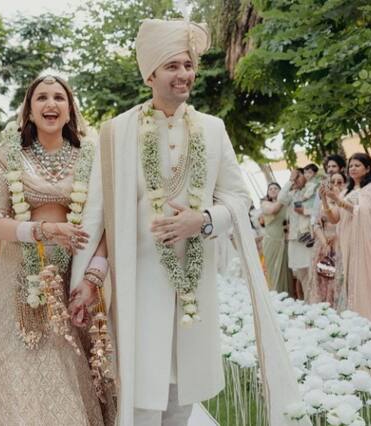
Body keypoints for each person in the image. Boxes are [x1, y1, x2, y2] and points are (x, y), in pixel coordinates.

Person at [69, 19, 309, 426]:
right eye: (172, 66)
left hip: (194, 284)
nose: (184, 74)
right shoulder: (116, 133)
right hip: (138, 282)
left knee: (182, 395)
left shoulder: (213, 130)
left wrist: (204, 220)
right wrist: (88, 277)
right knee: (140, 395)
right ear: (150, 75)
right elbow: (98, 213)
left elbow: (238, 198)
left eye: (188, 65)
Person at [0, 75, 108, 425]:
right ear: (28, 110)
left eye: (59, 97)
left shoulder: (90, 156)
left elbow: (105, 221)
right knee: (14, 361)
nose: (50, 104)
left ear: (70, 110)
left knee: (65, 360)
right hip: (16, 274)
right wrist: (42, 231)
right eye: (41, 97)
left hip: (69, 273)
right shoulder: (8, 155)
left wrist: (93, 275)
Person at [322, 153, 371, 323]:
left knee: (367, 278)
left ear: (368, 168)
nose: (353, 168)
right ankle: (357, 319)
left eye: (357, 165)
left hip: (365, 243)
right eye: (351, 166)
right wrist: (325, 200)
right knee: (351, 279)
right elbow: (335, 218)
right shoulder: (347, 191)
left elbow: (365, 212)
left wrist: (338, 200)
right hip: (348, 242)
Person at [309, 172, 346, 307]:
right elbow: (316, 225)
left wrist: (336, 237)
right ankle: (325, 308)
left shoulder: (346, 202)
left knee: (338, 280)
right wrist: (324, 242)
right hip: (324, 245)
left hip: (341, 244)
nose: (335, 185)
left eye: (339, 182)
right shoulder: (322, 203)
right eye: (332, 182)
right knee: (323, 278)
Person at [278, 168, 313, 300]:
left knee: (311, 272)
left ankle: (314, 301)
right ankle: (308, 301)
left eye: (297, 176)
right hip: (295, 238)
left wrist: (305, 211)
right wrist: (290, 180)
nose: (295, 180)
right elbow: (281, 198)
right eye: (293, 177)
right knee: (300, 273)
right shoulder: (292, 194)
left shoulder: (312, 191)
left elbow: (317, 211)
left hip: (308, 237)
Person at [260, 182, 292, 293]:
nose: (273, 190)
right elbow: (273, 210)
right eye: (270, 189)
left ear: (280, 191)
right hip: (271, 241)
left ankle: (286, 296)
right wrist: (282, 198)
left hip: (284, 241)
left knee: (285, 271)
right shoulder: (265, 204)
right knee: (272, 270)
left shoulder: (286, 204)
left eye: (276, 188)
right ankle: (272, 294)